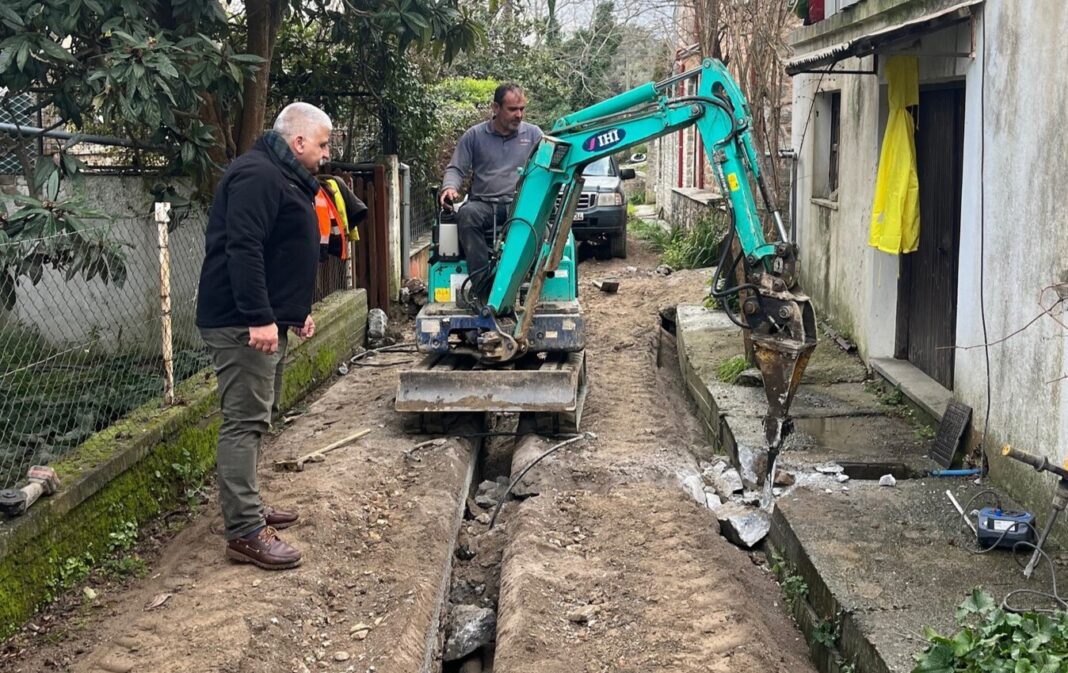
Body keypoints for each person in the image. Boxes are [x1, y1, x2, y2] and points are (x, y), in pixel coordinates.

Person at [195, 102, 332, 570]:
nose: (326, 154)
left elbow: (280, 252)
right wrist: (258, 317)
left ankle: (248, 504)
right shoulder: (258, 175)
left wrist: (294, 313)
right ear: (299, 141)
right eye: (322, 144)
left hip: (264, 319)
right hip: (241, 323)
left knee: (260, 415)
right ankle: (245, 532)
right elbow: (245, 248)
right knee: (244, 421)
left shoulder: (281, 175)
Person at [439, 83, 542, 298]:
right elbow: (456, 168)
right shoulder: (474, 136)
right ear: (496, 108)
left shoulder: (534, 135)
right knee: (466, 215)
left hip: (519, 205)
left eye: (522, 109)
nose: (519, 115)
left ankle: (529, 282)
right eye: (512, 109)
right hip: (483, 205)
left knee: (543, 226)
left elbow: (549, 165)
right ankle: (483, 289)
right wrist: (449, 187)